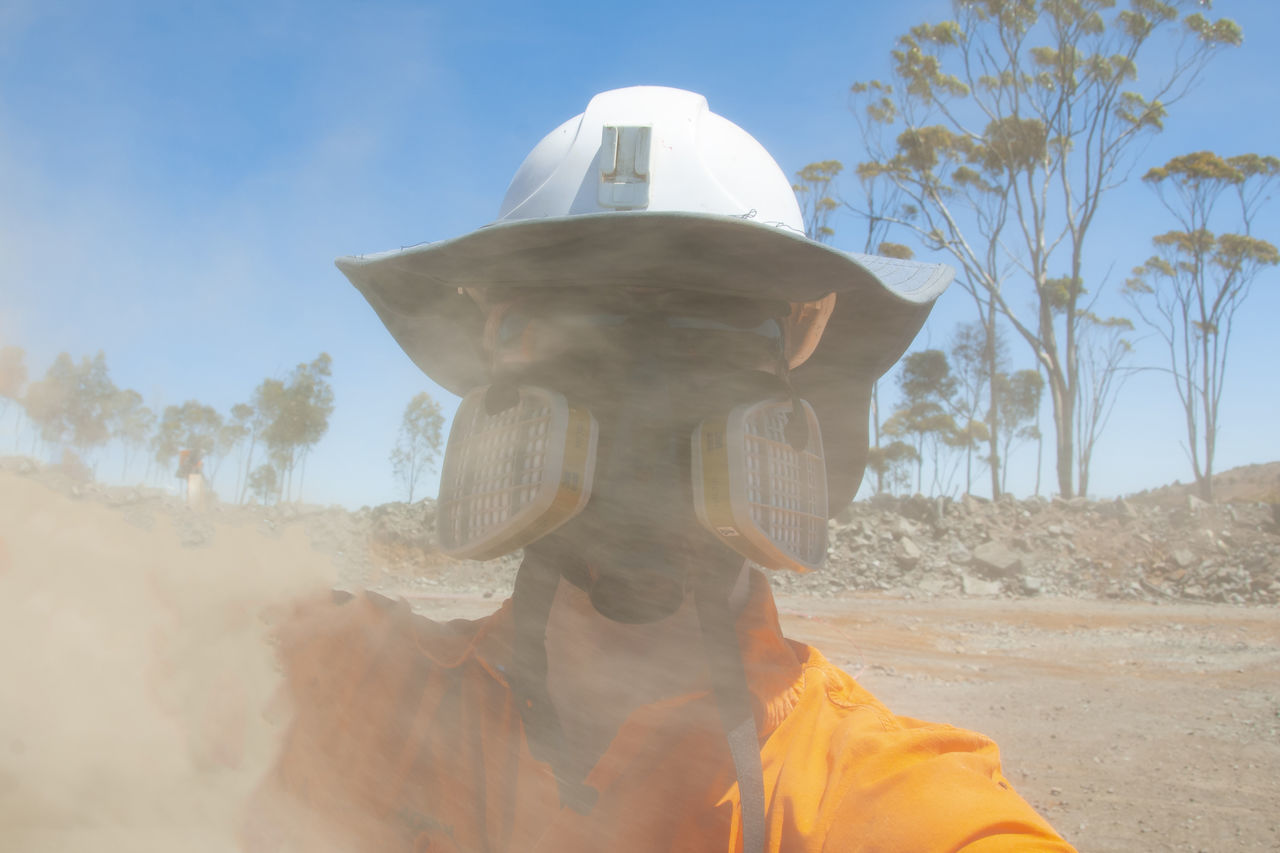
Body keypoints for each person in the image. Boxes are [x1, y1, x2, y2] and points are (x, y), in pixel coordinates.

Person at [242, 87, 1075, 852]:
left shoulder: (884, 799)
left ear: (800, 368)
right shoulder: (356, 689)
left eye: (710, 331)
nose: (639, 396)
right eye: (574, 330)